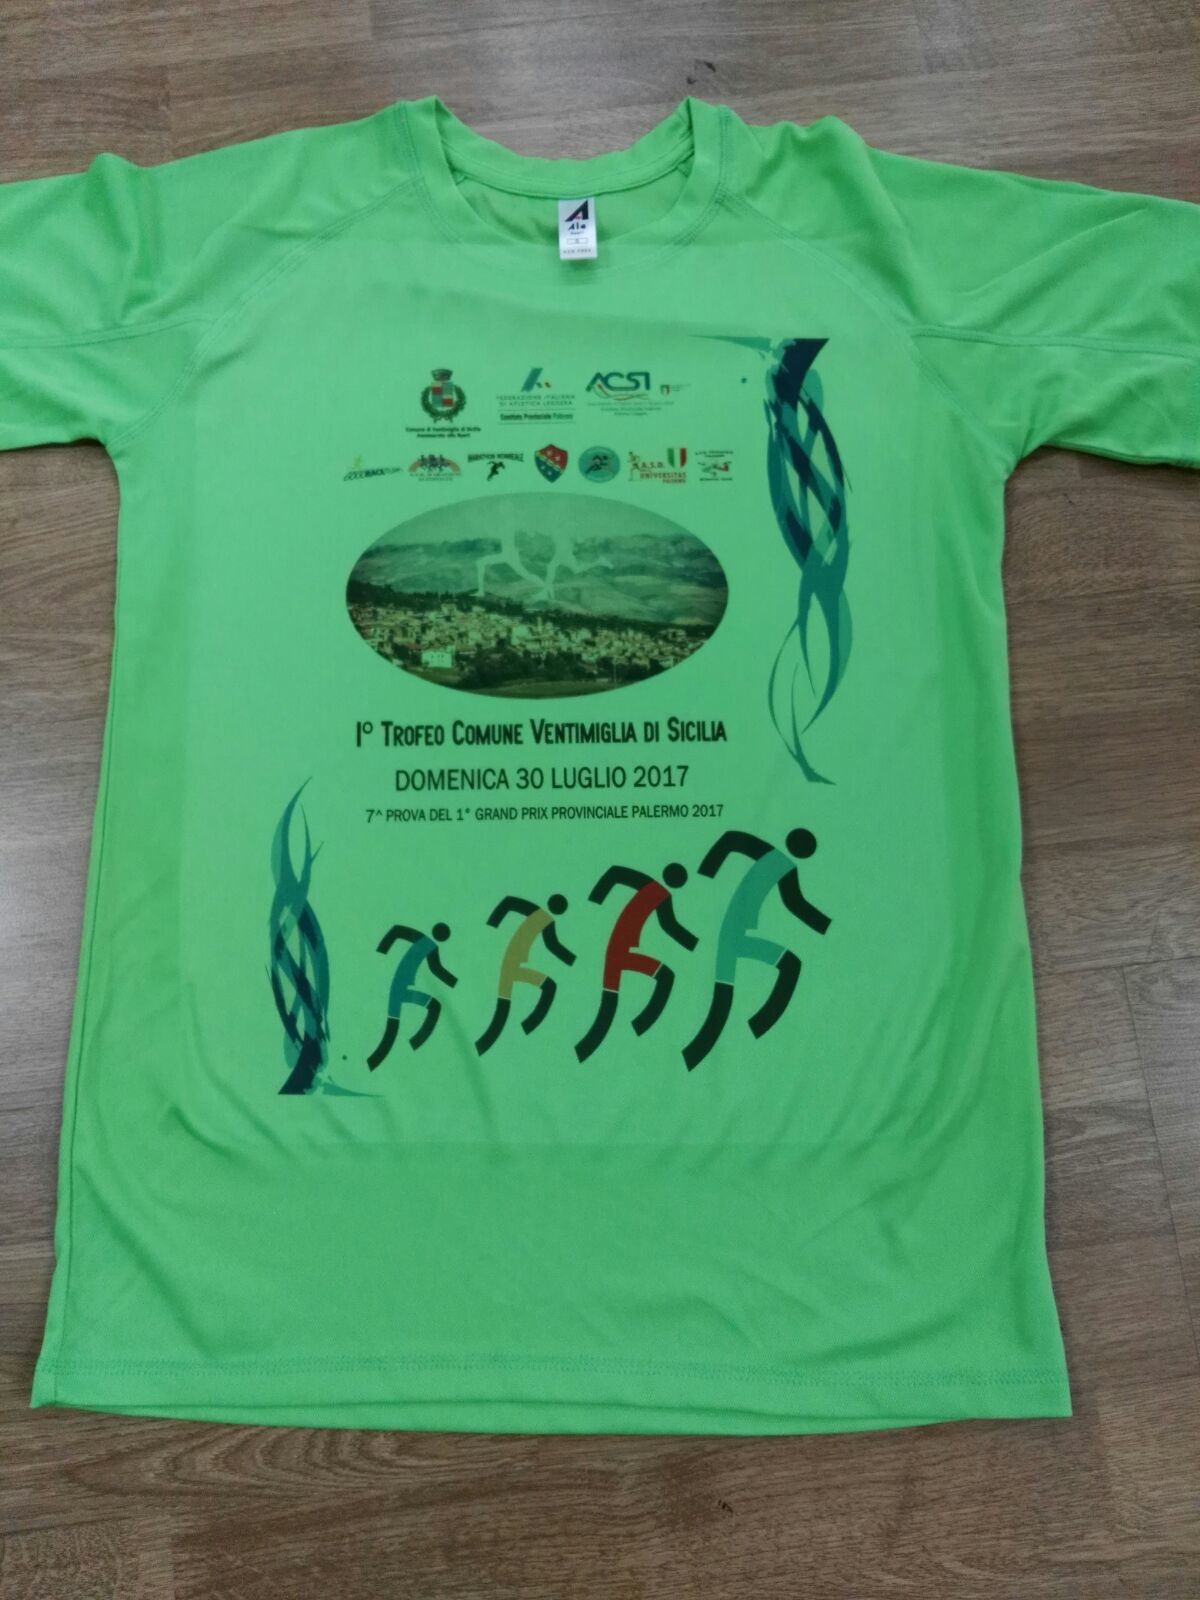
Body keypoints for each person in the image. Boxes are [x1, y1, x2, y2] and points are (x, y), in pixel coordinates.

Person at [682, 828, 830, 1070]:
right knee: (727, 997)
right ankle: (754, 1029)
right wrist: (707, 871)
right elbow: (795, 904)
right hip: (735, 937)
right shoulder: (781, 863)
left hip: (735, 934)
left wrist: (709, 869)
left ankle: (751, 1030)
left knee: (723, 1000)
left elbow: (731, 839)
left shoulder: (774, 858)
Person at [575, 863, 696, 1062]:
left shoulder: (648, 885)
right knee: (660, 979)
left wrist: (598, 897)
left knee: (610, 1003)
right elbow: (669, 926)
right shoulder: (661, 895)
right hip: (621, 953)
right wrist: (694, 943)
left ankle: (634, 1028)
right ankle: (639, 1026)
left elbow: (615, 873)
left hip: (619, 950)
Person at [475, 893, 575, 1054]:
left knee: (503, 1010)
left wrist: (494, 922)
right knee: (546, 988)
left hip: (512, 964)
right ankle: (527, 1027)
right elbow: (553, 946)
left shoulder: (536, 912)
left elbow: (509, 902)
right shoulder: (546, 920)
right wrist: (573, 959)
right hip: (512, 967)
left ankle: (525, 1027)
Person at [367, 921, 457, 1068]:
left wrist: (383, 949)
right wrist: (455, 982)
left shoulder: (422, 939)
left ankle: (413, 1044)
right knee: (394, 1027)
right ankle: (414, 1044)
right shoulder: (429, 945)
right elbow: (436, 969)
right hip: (400, 989)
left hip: (401, 987)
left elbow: (396, 930)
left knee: (393, 1028)